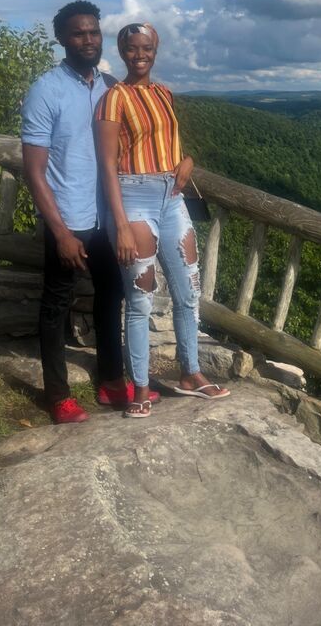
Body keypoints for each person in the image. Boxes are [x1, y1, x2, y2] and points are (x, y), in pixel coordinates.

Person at [21, 1, 156, 423]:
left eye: (94, 32)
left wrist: (184, 163)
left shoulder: (111, 86)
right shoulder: (46, 90)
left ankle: (111, 379)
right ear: (62, 38)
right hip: (70, 218)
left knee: (112, 294)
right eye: (79, 34)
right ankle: (57, 395)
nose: (89, 40)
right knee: (56, 304)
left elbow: (144, 141)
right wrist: (60, 232)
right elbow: (34, 171)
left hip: (108, 217)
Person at [95, 22, 230, 417]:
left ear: (156, 49)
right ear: (121, 51)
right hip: (132, 198)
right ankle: (139, 388)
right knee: (139, 299)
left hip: (171, 197)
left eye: (147, 48)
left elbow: (169, 142)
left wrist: (187, 160)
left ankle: (191, 373)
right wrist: (119, 223)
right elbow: (106, 166)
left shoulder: (163, 93)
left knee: (188, 292)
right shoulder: (113, 99)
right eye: (133, 48)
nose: (140, 55)